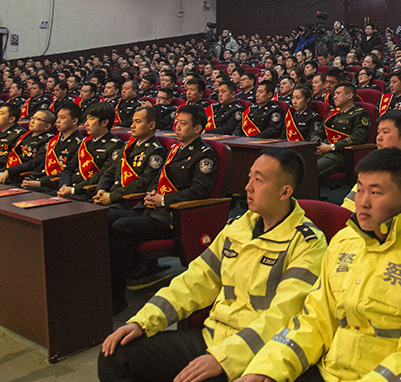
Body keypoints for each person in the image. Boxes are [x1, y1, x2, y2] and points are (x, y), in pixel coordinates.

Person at [237, 148, 401, 382]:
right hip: (327, 370)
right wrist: (267, 368)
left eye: (376, 193)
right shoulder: (344, 241)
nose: (363, 202)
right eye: (359, 190)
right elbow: (314, 320)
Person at [99, 149, 327, 382]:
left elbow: (284, 316)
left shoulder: (306, 242)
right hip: (213, 335)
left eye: (258, 180)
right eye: (249, 178)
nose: (247, 187)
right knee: (116, 354)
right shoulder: (238, 227)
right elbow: (196, 280)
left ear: (284, 192)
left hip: (257, 351)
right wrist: (143, 321)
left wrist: (223, 358)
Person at [108, 105, 218, 313]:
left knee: (121, 226)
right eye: (177, 122)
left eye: (183, 124)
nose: (177, 127)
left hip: (172, 218)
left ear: (197, 129)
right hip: (151, 209)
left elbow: (199, 192)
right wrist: (150, 195)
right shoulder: (175, 149)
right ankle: (108, 283)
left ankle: (117, 297)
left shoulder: (205, 156)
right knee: (105, 216)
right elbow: (157, 179)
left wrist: (164, 200)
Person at [93, 106, 166, 209]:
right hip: (110, 196)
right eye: (132, 122)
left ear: (151, 125)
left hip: (126, 201)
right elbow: (111, 171)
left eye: (138, 122)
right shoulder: (128, 146)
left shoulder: (155, 151)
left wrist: (111, 197)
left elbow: (143, 183)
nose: (132, 126)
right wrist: (101, 189)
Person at [57, 103, 124, 200]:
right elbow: (69, 168)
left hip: (87, 193)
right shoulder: (86, 142)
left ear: (104, 122)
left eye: (91, 119)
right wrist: (64, 185)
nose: (86, 124)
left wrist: (73, 190)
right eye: (87, 119)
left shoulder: (114, 146)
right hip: (70, 189)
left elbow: (102, 175)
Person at [310, 82, 371, 185]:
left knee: (310, 171)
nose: (335, 97)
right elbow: (318, 132)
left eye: (338, 93)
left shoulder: (360, 114)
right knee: (298, 165)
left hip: (340, 155)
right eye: (334, 94)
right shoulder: (333, 113)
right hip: (323, 151)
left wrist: (331, 147)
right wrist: (318, 144)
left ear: (350, 95)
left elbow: (358, 137)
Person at [21, 104, 83, 193]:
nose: (57, 121)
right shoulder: (53, 140)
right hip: (43, 180)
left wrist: (40, 183)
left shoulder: (80, 143)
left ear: (74, 121)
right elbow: (42, 163)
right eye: (57, 118)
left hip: (57, 185)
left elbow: (69, 171)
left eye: (62, 118)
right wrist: (32, 177)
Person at [0, 109, 55, 184]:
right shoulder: (26, 136)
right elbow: (11, 154)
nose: (32, 121)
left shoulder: (48, 140)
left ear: (47, 126)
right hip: (12, 169)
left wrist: (10, 171)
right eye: (32, 118)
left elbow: (35, 163)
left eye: (38, 119)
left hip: (25, 175)